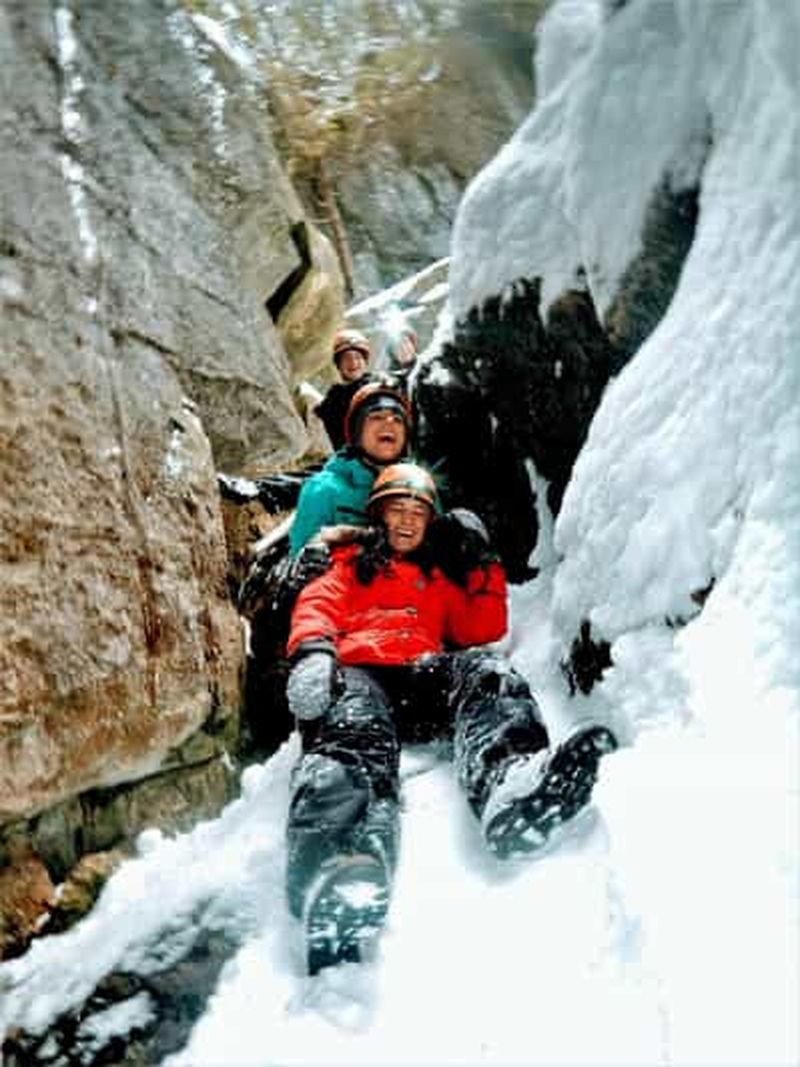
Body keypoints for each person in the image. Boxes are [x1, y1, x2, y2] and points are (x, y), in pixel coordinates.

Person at [283, 462, 616, 974]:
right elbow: (317, 605)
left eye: (418, 511)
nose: (408, 520)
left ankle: (512, 785)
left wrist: (481, 562)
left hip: (421, 674)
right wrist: (313, 652)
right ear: (378, 515)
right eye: (397, 509)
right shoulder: (350, 565)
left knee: (486, 670)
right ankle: (340, 861)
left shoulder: (436, 575)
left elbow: (483, 624)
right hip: (359, 671)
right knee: (352, 727)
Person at [288, 380, 412, 557]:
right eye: (376, 417)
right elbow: (300, 564)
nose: (389, 423)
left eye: (398, 419)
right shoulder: (323, 490)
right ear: (356, 432)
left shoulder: (419, 488)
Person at [313, 328, 373, 451]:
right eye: (347, 358)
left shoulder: (376, 390)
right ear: (338, 364)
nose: (353, 362)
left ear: (365, 362)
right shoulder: (334, 397)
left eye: (357, 357)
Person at [384, 325, 418, 394]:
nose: (403, 348)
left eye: (405, 342)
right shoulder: (387, 380)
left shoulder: (426, 369)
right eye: (397, 345)